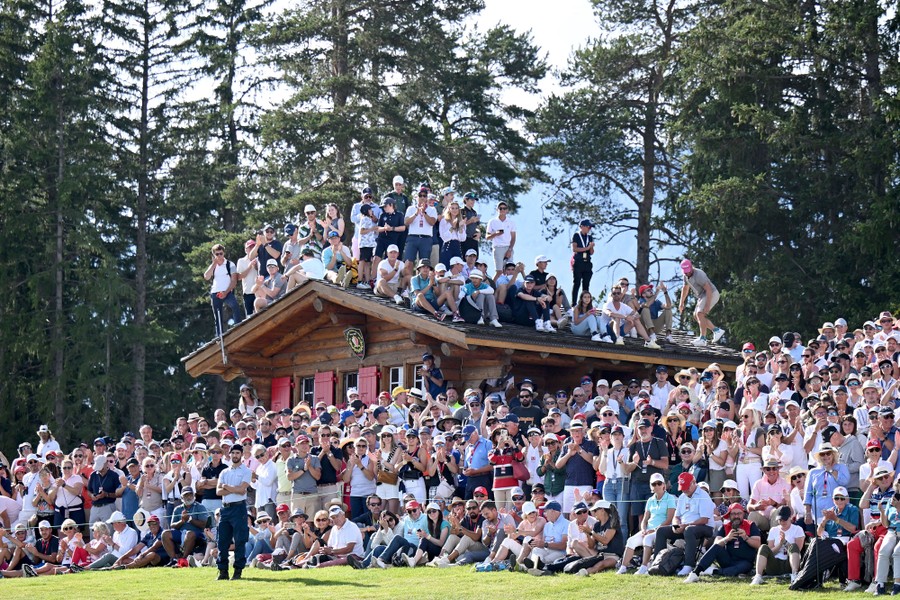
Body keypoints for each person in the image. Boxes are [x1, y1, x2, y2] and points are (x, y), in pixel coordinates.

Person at [653, 472, 715, 577]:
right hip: (685, 527)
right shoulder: (682, 497)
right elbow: (676, 517)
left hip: (705, 527)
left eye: (687, 487)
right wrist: (675, 525)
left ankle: (688, 565)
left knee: (689, 530)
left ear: (694, 482)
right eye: (683, 488)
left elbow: (704, 519)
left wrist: (685, 525)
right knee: (661, 531)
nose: (685, 490)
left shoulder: (704, 496)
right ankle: (658, 563)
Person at [683, 502, 761, 583]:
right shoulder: (724, 527)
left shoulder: (751, 525)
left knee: (737, 570)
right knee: (716, 547)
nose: (736, 516)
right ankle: (695, 573)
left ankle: (713, 571)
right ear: (729, 515)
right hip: (727, 560)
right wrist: (727, 538)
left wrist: (746, 537)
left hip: (745, 561)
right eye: (733, 514)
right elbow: (716, 544)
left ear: (743, 514)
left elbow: (758, 544)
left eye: (739, 513)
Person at [618, 472, 676, 575]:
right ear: (651, 486)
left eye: (659, 483)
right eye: (654, 484)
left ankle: (644, 567)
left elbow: (669, 519)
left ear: (664, 485)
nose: (657, 486)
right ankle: (623, 567)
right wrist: (643, 529)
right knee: (631, 540)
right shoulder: (650, 500)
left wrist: (653, 530)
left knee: (647, 539)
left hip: (663, 530)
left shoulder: (670, 498)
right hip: (649, 530)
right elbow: (645, 519)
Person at [216, 443, 252, 580]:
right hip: (225, 508)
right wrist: (233, 488)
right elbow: (218, 491)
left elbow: (242, 490)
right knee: (222, 541)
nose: (235, 455)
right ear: (229, 454)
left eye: (238, 453)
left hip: (239, 508)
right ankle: (223, 571)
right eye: (233, 453)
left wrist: (226, 486)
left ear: (241, 455)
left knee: (240, 540)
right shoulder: (224, 472)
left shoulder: (246, 471)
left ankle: (238, 571)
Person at [751, 505, 805, 585]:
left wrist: (785, 542)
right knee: (763, 547)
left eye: (785, 519)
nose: (782, 522)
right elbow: (770, 551)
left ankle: (794, 575)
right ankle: (758, 576)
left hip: (789, 563)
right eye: (780, 520)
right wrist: (780, 544)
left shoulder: (797, 529)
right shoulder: (774, 530)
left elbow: (797, 550)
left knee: (793, 546)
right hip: (774, 564)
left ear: (790, 517)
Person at [677, 258, 725, 346]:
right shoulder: (685, 276)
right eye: (685, 272)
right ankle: (717, 331)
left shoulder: (699, 274)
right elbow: (685, 289)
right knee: (696, 316)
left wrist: (707, 305)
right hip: (702, 296)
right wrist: (681, 302)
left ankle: (703, 339)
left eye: (688, 271)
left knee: (699, 313)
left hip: (711, 294)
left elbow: (709, 289)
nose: (687, 273)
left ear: (691, 267)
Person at [203, 244, 243, 337]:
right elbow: (206, 276)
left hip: (227, 291)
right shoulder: (213, 266)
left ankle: (239, 326)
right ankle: (219, 335)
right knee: (217, 316)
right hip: (215, 292)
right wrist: (214, 264)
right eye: (217, 254)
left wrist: (226, 292)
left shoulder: (230, 264)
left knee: (235, 306)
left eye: (221, 253)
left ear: (224, 253)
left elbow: (234, 280)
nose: (219, 256)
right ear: (214, 255)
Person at [486, 201, 516, 279]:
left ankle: (508, 288)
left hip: (508, 248)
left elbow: (513, 237)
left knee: (510, 271)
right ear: (497, 210)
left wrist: (510, 249)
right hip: (498, 247)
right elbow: (487, 236)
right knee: (499, 271)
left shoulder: (511, 222)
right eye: (500, 208)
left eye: (504, 208)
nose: (502, 210)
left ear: (507, 210)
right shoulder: (492, 221)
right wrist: (496, 234)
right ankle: (492, 288)